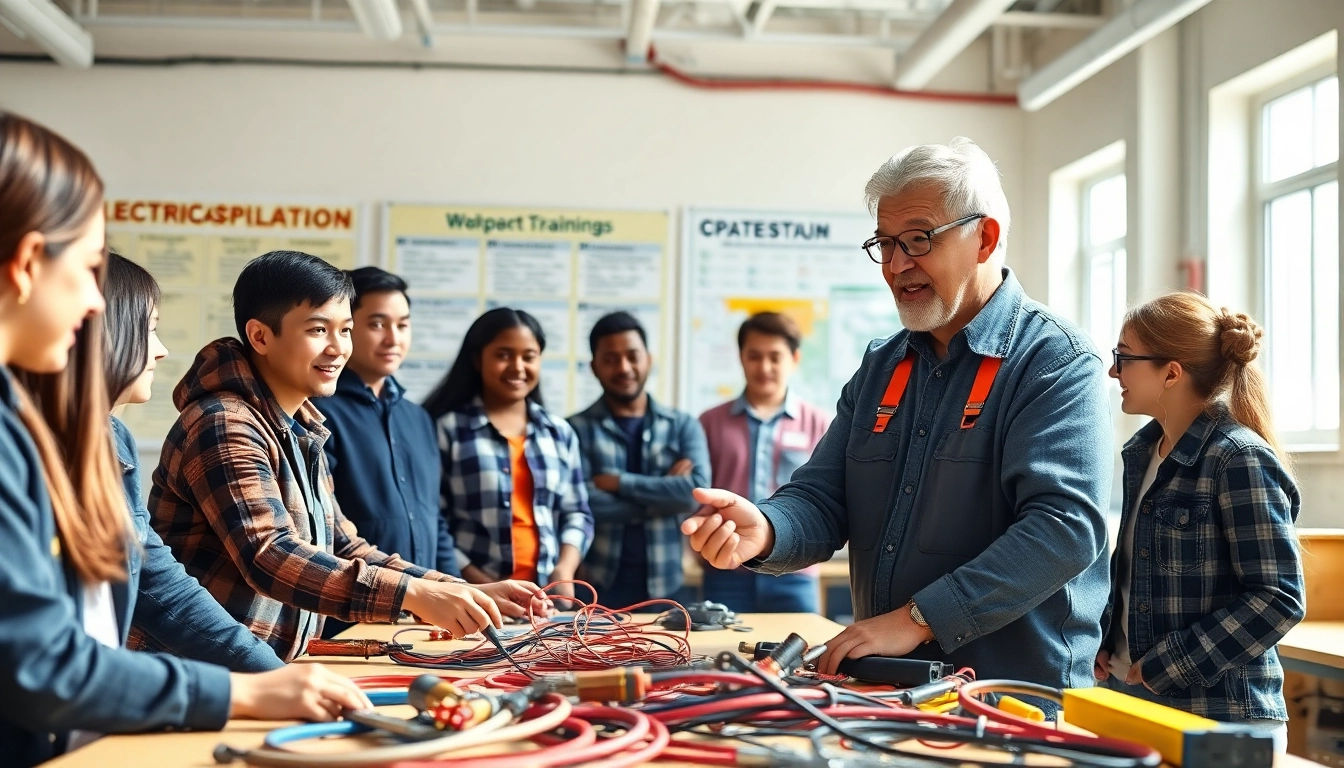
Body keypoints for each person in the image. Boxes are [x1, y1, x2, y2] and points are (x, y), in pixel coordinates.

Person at [682, 138, 1114, 698]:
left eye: (917, 240)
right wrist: (766, 529)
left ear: (984, 238)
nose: (895, 265)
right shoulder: (881, 367)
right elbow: (822, 497)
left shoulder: (1054, 363)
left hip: (1015, 696)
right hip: (890, 690)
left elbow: (1063, 530)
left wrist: (917, 620)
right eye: (884, 244)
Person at [0, 112, 369, 768]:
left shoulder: (89, 436)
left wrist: (270, 681)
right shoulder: (220, 421)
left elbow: (155, 582)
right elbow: (38, 663)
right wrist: (246, 693)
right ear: (29, 263)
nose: (93, 303)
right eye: (87, 270)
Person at [148, 251, 535, 662]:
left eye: (345, 330)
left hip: (263, 669)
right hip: (203, 674)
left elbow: (345, 545)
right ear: (260, 336)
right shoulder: (225, 423)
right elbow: (270, 556)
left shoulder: (302, 426)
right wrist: (414, 595)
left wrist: (458, 590)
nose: (338, 349)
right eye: (318, 330)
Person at [21, 251, 286, 670]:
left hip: (94, 698)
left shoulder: (113, 439)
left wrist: (271, 675)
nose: (160, 351)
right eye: (150, 330)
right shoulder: (22, 446)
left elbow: (155, 579)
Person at [1096, 293, 1304, 752]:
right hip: (1132, 697)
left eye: (1124, 358)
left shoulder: (1238, 459)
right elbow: (1139, 574)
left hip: (1218, 718)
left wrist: (1168, 664)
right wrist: (1109, 639)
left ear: (1171, 372)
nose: (1114, 373)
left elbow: (1278, 598)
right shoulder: (1141, 455)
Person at [314, 267, 466, 637]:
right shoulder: (318, 412)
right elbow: (326, 532)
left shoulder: (419, 418)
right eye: (377, 324)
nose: (393, 339)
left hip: (425, 619)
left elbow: (434, 520)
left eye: (403, 324)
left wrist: (460, 593)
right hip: (347, 620)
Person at [425, 307, 593, 600]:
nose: (518, 367)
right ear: (478, 360)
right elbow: (434, 521)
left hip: (547, 601)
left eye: (529, 356)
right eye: (503, 355)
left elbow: (576, 513)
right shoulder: (449, 430)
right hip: (474, 600)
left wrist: (564, 572)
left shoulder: (559, 432)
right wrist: (481, 587)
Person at [568, 311, 708, 608]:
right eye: (610, 358)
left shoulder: (682, 426)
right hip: (597, 586)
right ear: (594, 367)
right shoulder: (574, 430)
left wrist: (619, 483)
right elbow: (582, 503)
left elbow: (692, 495)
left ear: (648, 358)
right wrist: (664, 494)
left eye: (632, 355)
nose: (623, 367)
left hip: (667, 586)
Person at [698, 312, 830, 613]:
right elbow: (698, 492)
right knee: (718, 657)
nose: (764, 367)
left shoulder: (820, 424)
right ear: (741, 358)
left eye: (775, 357)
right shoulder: (710, 423)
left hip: (795, 574)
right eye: (754, 356)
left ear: (794, 359)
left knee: (800, 658)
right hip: (726, 571)